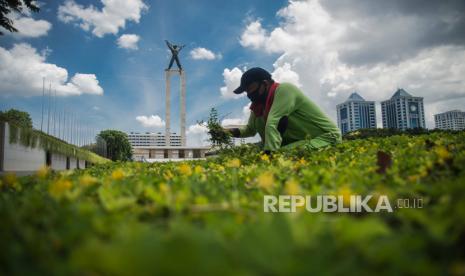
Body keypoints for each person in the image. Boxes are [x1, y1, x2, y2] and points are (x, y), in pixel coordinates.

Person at [226, 67, 341, 154]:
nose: (249, 94)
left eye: (250, 89)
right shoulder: (258, 106)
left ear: (265, 84)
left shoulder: (285, 90)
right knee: (252, 152)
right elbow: (250, 129)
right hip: (297, 141)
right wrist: (225, 132)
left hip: (325, 137)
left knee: (280, 154)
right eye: (246, 91)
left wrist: (269, 155)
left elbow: (273, 123)